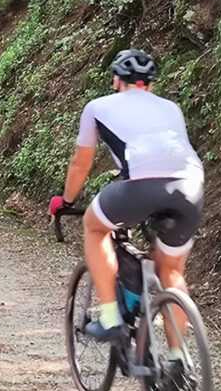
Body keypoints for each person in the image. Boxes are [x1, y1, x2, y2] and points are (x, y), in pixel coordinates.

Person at [48, 49, 204, 369]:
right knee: (171, 271)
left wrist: (67, 201)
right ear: (150, 85)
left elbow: (80, 163)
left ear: (116, 81)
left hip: (140, 186)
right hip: (190, 185)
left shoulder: (97, 107)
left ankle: (110, 318)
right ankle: (178, 361)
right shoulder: (171, 108)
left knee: (94, 227)